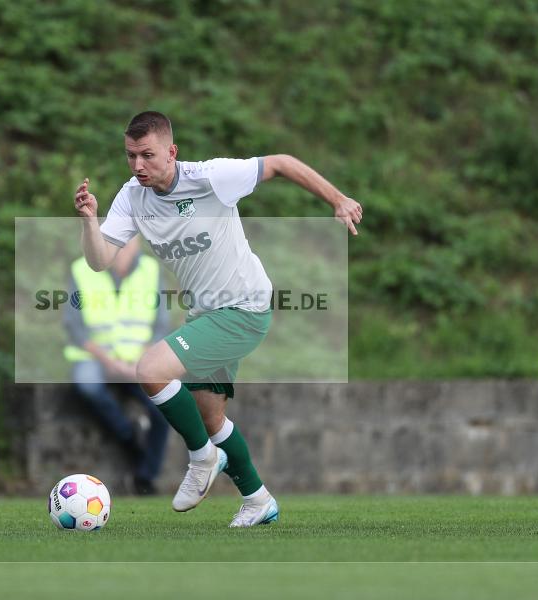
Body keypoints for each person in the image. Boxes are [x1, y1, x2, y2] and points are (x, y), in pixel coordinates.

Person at [73, 111, 362, 526]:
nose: (138, 165)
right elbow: (100, 261)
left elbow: (280, 162)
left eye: (148, 155)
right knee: (210, 417)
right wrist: (88, 223)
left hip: (243, 309)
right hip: (205, 314)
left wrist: (337, 199)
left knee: (151, 370)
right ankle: (258, 500)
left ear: (172, 152)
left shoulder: (211, 177)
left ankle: (201, 459)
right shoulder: (132, 196)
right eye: (131, 156)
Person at [63, 236, 171, 495]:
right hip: (95, 358)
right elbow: (74, 327)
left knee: (166, 406)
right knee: (88, 386)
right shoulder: (81, 269)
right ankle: (129, 437)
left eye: (127, 241)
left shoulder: (150, 270)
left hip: (138, 361)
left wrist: (137, 362)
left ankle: (146, 476)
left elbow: (160, 326)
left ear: (137, 244)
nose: (121, 247)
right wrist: (109, 362)